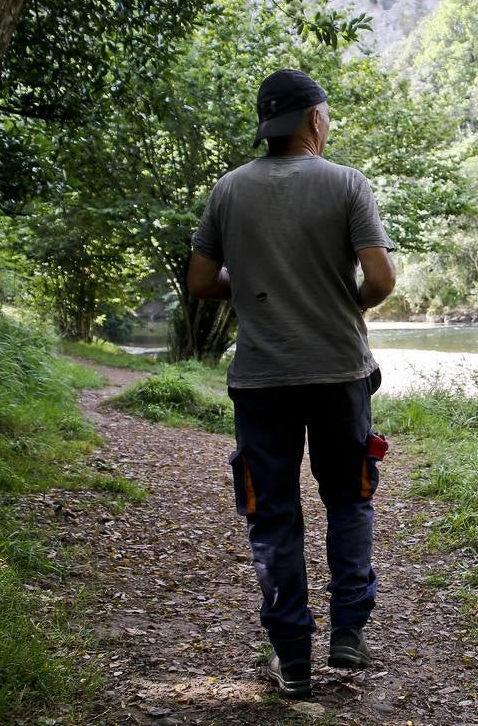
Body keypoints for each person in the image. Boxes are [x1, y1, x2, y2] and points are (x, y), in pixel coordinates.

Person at [187, 68, 396, 700]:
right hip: (339, 374)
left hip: (261, 381)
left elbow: (201, 283)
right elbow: (382, 280)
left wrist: (250, 287)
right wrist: (345, 302)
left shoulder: (228, 191)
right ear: (313, 120)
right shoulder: (346, 185)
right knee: (348, 498)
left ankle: (293, 658)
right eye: (326, 117)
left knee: (271, 512)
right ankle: (349, 634)